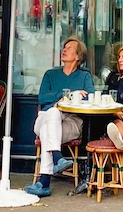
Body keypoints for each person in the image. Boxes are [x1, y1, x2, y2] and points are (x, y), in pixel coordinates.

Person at [25, 37, 93, 198]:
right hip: (45, 116)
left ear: (77, 57)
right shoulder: (50, 74)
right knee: (53, 113)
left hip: (71, 122)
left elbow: (89, 97)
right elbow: (42, 98)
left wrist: (60, 100)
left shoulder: (84, 76)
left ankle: (44, 183)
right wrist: (68, 95)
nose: (64, 49)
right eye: (64, 47)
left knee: (47, 132)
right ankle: (57, 157)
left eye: (69, 48)